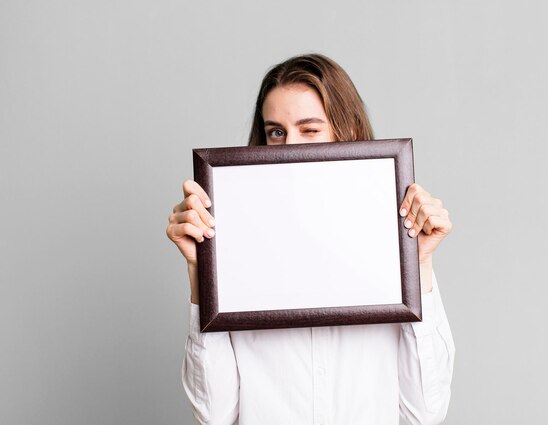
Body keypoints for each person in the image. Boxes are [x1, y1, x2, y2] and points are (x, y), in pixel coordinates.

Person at [166, 54, 455, 425]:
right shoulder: (239, 248)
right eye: (276, 132)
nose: (289, 147)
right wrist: (200, 270)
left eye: (310, 128)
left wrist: (420, 267)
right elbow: (214, 414)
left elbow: (426, 412)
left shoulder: (390, 246)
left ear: (346, 132)